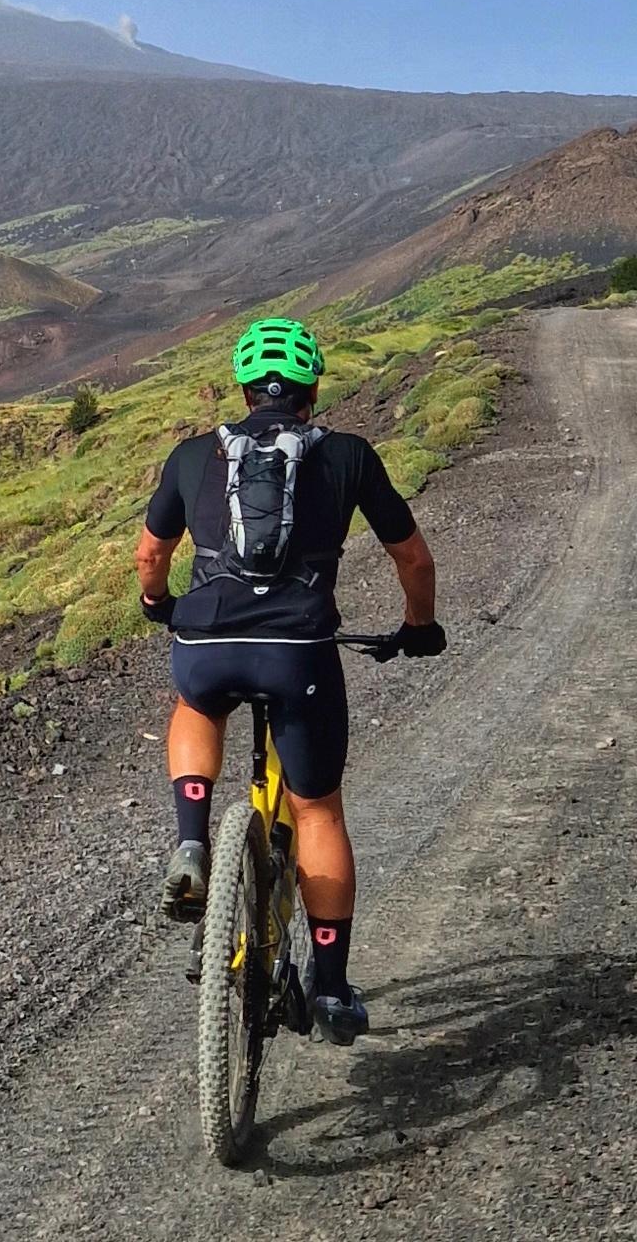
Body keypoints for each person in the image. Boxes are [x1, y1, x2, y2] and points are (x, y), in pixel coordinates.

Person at [134, 316, 442, 1045]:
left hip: (207, 639)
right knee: (318, 814)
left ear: (244, 389)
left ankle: (192, 840)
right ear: (312, 391)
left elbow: (151, 556)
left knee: (196, 703)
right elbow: (415, 562)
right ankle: (331, 992)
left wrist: (157, 605)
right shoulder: (348, 456)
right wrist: (419, 628)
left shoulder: (192, 455)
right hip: (297, 652)